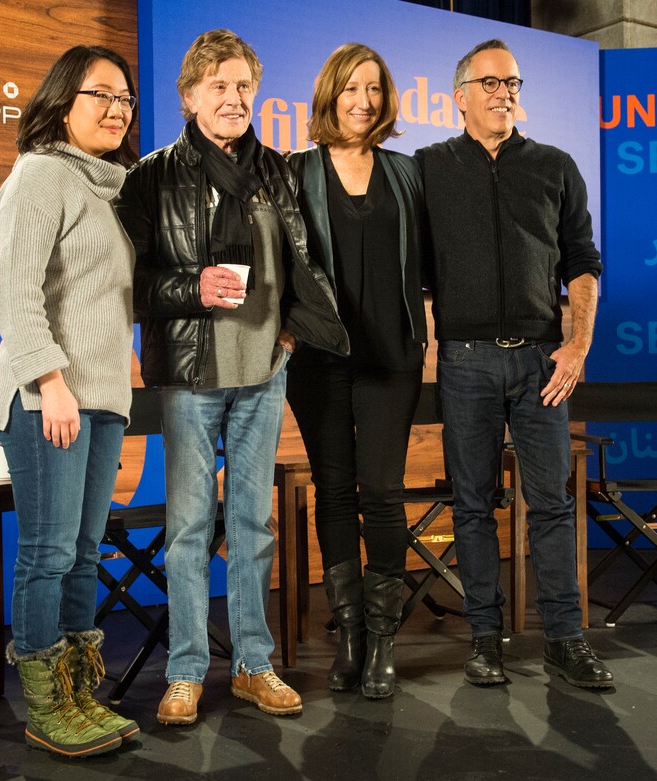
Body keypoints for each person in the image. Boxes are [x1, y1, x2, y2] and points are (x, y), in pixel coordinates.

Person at [116, 29, 348, 725]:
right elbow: (128, 283)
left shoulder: (279, 171)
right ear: (189, 96)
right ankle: (186, 671)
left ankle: (253, 664)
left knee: (252, 522)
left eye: (244, 85)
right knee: (190, 526)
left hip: (264, 371)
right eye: (218, 85)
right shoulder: (150, 176)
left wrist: (289, 333)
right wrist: (193, 286)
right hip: (191, 373)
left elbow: (303, 262)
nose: (234, 98)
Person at [415, 39, 613, 688]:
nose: (505, 93)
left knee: (551, 504)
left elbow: (582, 262)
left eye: (513, 83)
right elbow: (409, 267)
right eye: (491, 82)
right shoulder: (428, 167)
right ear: (460, 96)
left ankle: (565, 639)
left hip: (542, 365)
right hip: (465, 363)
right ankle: (485, 640)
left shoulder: (556, 166)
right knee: (472, 506)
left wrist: (577, 346)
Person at [0, 45, 141, 757]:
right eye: (100, 94)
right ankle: (45, 706)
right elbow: (13, 294)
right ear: (61, 99)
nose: (117, 108)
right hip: (46, 394)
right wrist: (51, 382)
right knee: (47, 553)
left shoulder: (110, 188)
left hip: (101, 397)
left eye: (125, 98)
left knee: (82, 552)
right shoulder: (41, 173)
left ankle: (79, 694)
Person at [287, 44, 427, 699]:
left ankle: (384, 642)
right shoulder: (295, 171)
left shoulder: (407, 173)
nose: (363, 101)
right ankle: (350, 637)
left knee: (383, 492)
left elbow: (432, 261)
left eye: (373, 89)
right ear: (330, 94)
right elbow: (274, 259)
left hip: (392, 358)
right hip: (318, 359)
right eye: (351, 88)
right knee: (334, 491)